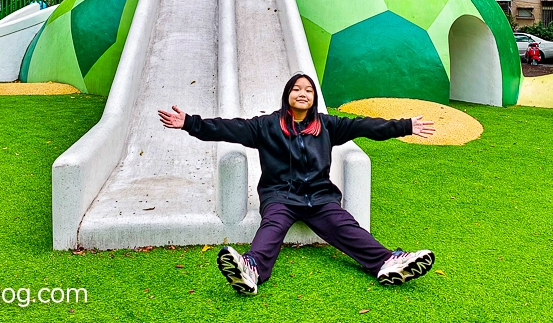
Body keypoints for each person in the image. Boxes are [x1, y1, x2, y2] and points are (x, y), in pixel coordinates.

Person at [158, 73, 436, 295]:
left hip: (320, 198)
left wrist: (405, 126)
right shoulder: (266, 126)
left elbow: (365, 126)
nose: (302, 93)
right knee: (272, 225)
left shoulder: (328, 126)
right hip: (280, 196)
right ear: (287, 95)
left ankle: (388, 263)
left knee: (345, 226)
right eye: (296, 89)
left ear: (313, 98)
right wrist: (189, 123)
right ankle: (251, 268)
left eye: (308, 90)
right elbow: (228, 128)